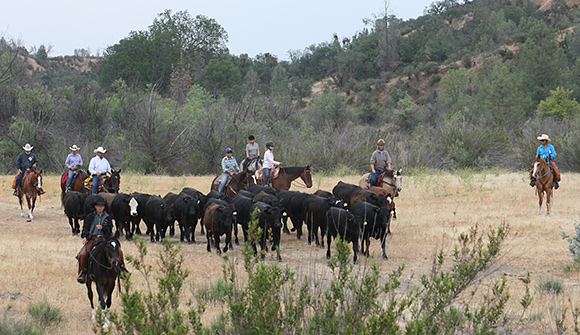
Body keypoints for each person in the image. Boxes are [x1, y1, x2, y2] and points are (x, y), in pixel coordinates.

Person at [77, 197, 129, 284]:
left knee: (119, 251)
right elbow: (85, 228)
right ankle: (83, 272)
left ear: (104, 207)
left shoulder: (107, 217)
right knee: (82, 254)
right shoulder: (90, 217)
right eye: (98, 206)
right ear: (95, 207)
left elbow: (110, 228)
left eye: (101, 206)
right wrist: (85, 237)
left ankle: (122, 269)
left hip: (105, 239)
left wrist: (103, 227)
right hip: (93, 239)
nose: (100, 208)